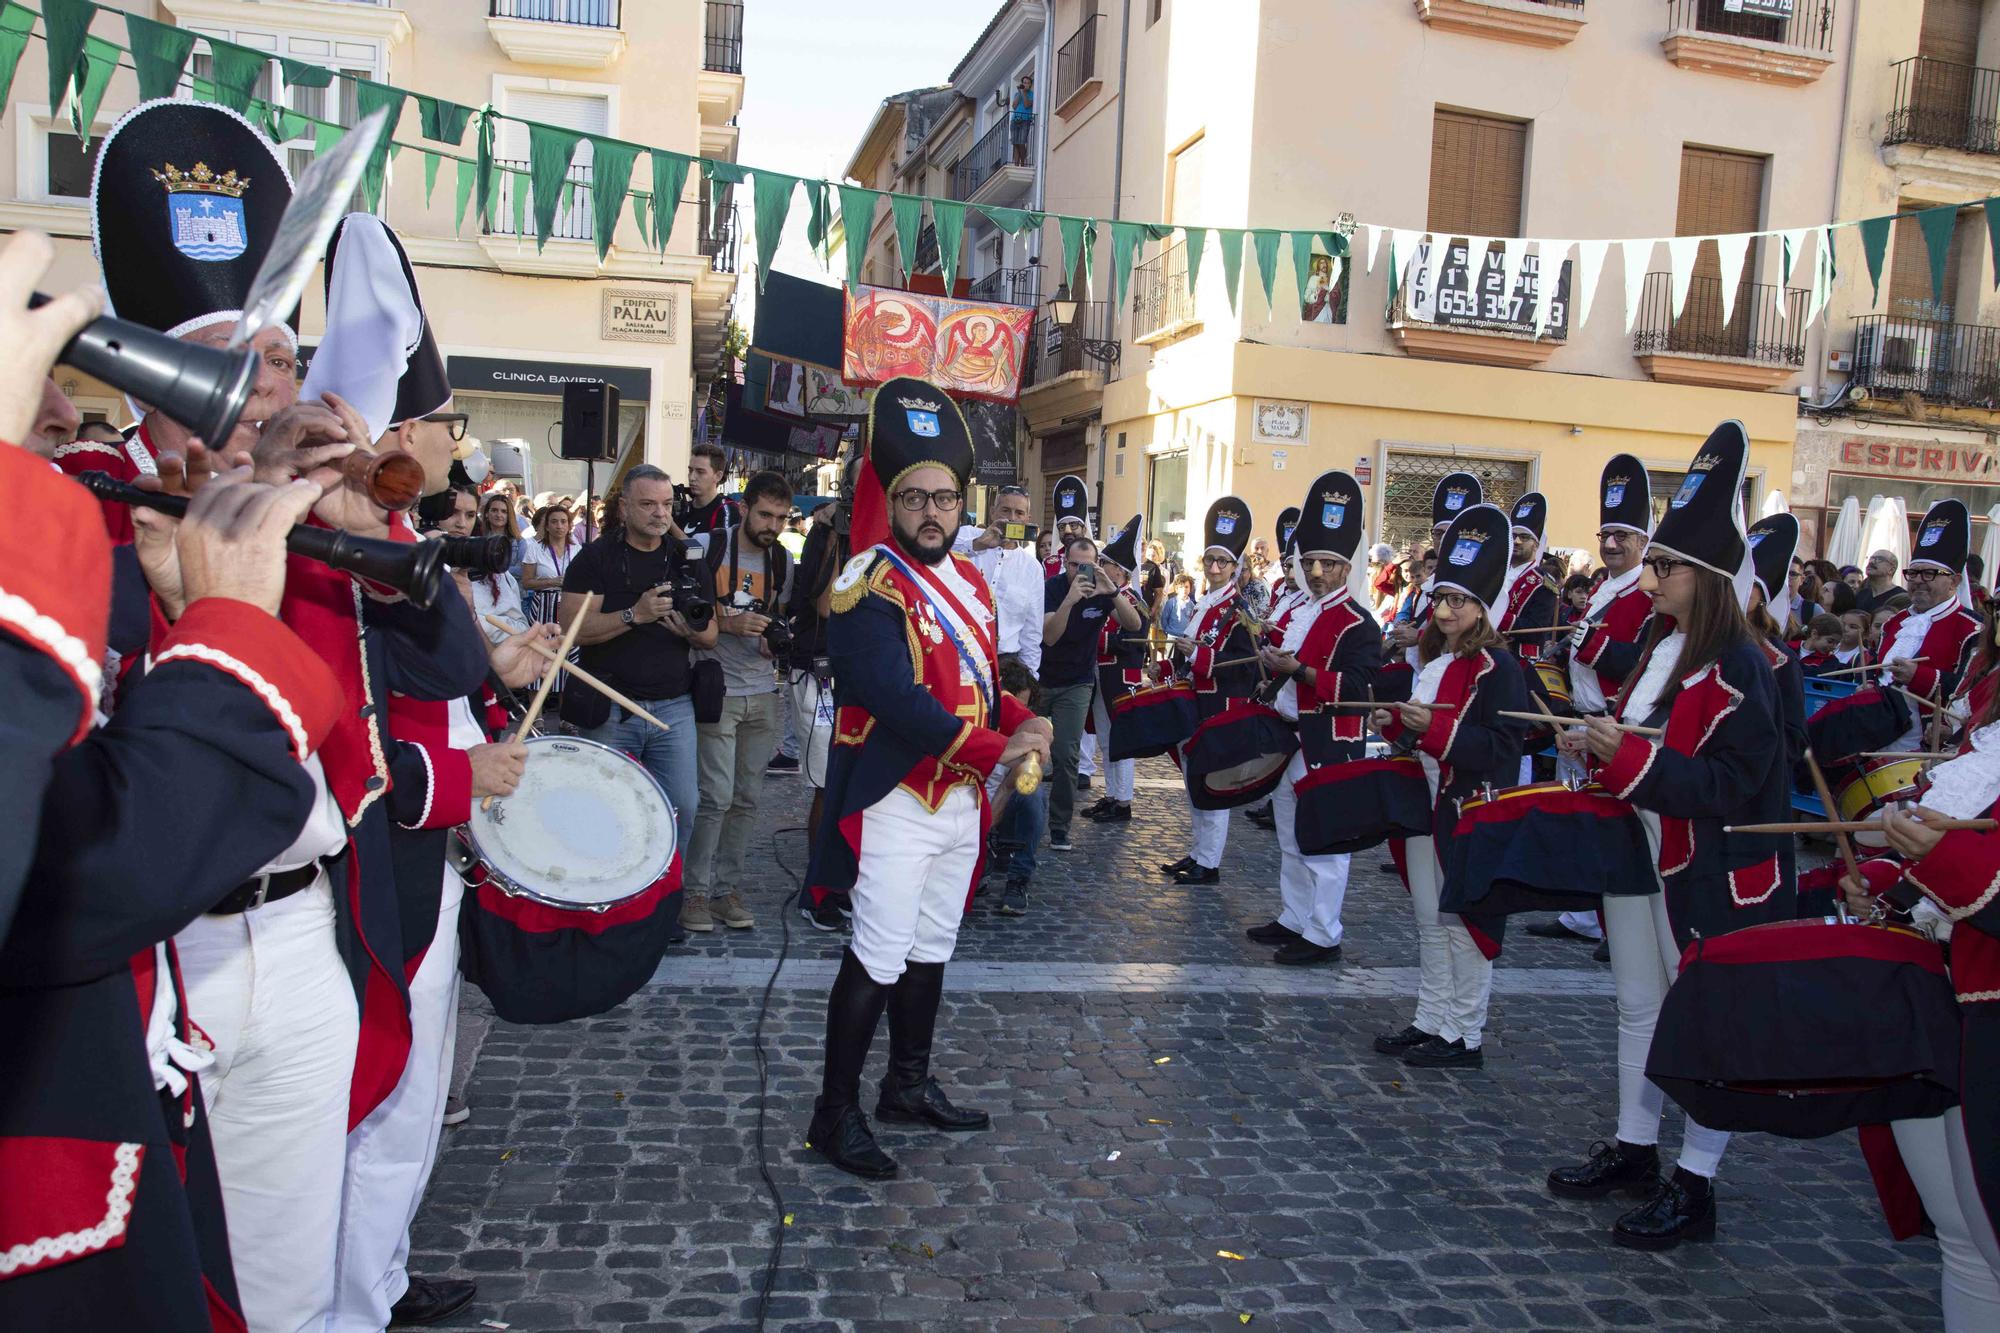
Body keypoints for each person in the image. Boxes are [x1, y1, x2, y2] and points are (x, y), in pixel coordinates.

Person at [1549, 420, 1794, 1250]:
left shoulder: (1743, 668)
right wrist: (1600, 743)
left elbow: (1728, 788)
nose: (1647, 576)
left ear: (1710, 577)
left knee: (1699, 1022)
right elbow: (1642, 738)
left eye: (1663, 565)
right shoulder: (1662, 644)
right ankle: (1634, 1147)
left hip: (1712, 873)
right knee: (1637, 1007)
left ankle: (1697, 1183)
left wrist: (1632, 759)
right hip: (1644, 850)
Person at [801, 377, 1050, 1180]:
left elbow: (976, 682)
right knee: (877, 951)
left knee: (932, 947)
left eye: (945, 496)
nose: (933, 512)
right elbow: (893, 698)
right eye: (916, 498)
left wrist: (1021, 721)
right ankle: (831, 1114)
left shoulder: (973, 583)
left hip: (963, 798)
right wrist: (994, 751)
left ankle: (906, 1084)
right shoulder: (866, 582)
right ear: (893, 499)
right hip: (900, 795)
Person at [1370, 504, 1526, 1068]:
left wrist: (1428, 729)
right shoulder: (1436, 661)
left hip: (1469, 807)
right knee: (1430, 922)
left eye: (1457, 600)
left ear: (1483, 608)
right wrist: (1399, 728)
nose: (1443, 609)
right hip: (1427, 800)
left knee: (1464, 924)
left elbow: (1503, 750)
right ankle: (1431, 1018)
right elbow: (1428, 733)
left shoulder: (1499, 669)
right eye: (1439, 599)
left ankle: (1465, 1034)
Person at [1253, 472, 1379, 965]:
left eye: (1328, 563)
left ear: (1347, 567)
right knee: (1289, 833)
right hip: (1291, 735)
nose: (1318, 571)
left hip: (1329, 740)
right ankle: (1294, 916)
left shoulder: (1359, 622)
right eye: (1310, 562)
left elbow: (1362, 689)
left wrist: (1300, 670)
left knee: (1325, 840)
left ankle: (1324, 932)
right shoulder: (1297, 610)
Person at [1531, 455, 1656, 947]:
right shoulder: (1604, 585)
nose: (1610, 544)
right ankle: (1581, 915)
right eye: (1606, 534)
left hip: (1613, 722)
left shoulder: (1649, 590)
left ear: (1644, 541)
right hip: (1581, 714)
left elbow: (1647, 661)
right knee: (1580, 818)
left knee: (1614, 823)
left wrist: (1593, 648)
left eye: (1622, 536)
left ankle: (1616, 924)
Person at [559, 464, 720, 837]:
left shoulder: (687, 559)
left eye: (666, 504)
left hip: (674, 707)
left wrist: (690, 632)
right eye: (648, 504)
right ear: (625, 507)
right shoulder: (595, 558)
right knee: (605, 810)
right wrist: (636, 614)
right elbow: (571, 629)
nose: (660, 513)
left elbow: (711, 635)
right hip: (611, 705)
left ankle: (666, 894)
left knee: (682, 807)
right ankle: (610, 894)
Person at [683, 469, 795, 933]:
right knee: (715, 796)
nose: (771, 525)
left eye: (781, 518)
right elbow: (685, 616)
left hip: (762, 690)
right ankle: (694, 892)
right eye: (765, 514)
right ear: (744, 507)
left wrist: (773, 641)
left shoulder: (784, 563)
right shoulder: (710, 548)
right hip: (717, 686)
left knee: (747, 797)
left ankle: (727, 889)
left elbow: (778, 620)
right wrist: (725, 625)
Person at [1160, 497, 1259, 885]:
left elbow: (1244, 665)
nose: (1215, 569)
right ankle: (1199, 851)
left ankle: (1211, 862)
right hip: (1193, 704)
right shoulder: (1205, 604)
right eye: (1210, 561)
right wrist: (1168, 665)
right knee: (1193, 782)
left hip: (1217, 707)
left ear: (1236, 568)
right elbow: (1187, 649)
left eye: (1223, 563)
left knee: (1213, 784)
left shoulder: (1239, 610)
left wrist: (1200, 657)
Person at [1042, 532, 1140, 850]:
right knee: (1025, 753)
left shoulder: (1102, 591)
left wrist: (1112, 592)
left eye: (1087, 566)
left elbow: (1134, 624)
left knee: (1066, 756)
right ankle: (1010, 824)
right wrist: (1071, 599)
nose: (1080, 573)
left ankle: (1059, 827)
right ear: (1064, 563)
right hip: (1041, 679)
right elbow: (1051, 637)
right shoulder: (1052, 589)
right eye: (1074, 566)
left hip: (1077, 682)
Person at [1874, 500, 1981, 753]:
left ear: (1954, 581)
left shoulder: (1973, 629)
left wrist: (1921, 677)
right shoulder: (1894, 622)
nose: (1918, 581)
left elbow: (1976, 691)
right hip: (1878, 735)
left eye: (1929, 574)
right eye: (1913, 573)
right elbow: (1878, 669)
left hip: (1929, 747)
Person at [1080, 516, 1152, 834]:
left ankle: (1123, 801)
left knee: (1121, 743)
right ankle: (1111, 795)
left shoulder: (1133, 601)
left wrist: (1098, 641)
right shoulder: (1102, 595)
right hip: (1101, 676)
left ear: (1120, 571)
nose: (1101, 567)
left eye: (1106, 563)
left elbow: (1134, 642)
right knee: (1107, 743)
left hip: (1121, 678)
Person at [520, 502, 581, 626]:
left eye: (563, 522)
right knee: (542, 643)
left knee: (569, 643)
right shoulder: (534, 549)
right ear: (547, 526)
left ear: (569, 526)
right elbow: (526, 583)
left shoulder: (577, 549)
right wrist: (552, 582)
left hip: (570, 603)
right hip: (543, 605)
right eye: (554, 522)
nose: (559, 526)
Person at [678, 440, 739, 550]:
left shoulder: (727, 511)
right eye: (690, 470)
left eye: (700, 472)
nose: (692, 477)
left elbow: (715, 554)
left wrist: (671, 525)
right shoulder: (682, 508)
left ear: (718, 476)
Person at [1046, 473, 1089, 577]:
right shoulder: (1048, 565)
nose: (1067, 531)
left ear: (1084, 529)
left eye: (1073, 525)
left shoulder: (1098, 563)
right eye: (1062, 526)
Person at [1856, 548, 1902, 614]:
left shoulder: (1900, 597)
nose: (1871, 562)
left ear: (1891, 569)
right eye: (1871, 558)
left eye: (1879, 559)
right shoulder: (1861, 595)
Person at [1009, 71, 1034, 167]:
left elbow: (1027, 104)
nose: (1025, 84)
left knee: (1022, 142)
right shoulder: (1017, 94)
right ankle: (1016, 164)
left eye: (1027, 83)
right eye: (1024, 82)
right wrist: (1020, 92)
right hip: (1015, 120)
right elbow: (1014, 106)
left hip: (1025, 120)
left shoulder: (1031, 94)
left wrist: (1023, 92)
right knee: (1015, 143)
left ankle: (1023, 163)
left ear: (1030, 85)